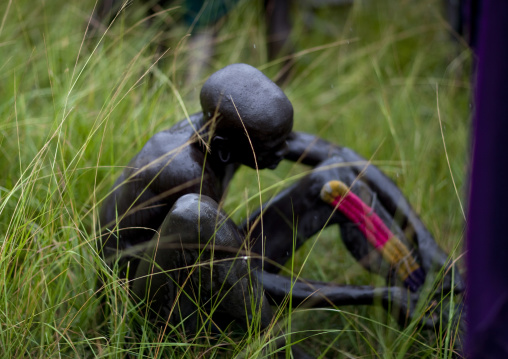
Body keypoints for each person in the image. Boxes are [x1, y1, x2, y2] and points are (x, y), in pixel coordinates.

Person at [99, 63, 464, 336]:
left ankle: (428, 289)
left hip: (209, 256)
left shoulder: (224, 126)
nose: (284, 154)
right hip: (150, 302)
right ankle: (261, 344)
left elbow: (342, 158)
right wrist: (371, 295)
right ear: (228, 149)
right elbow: (247, 277)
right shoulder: (186, 173)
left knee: (334, 180)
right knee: (200, 215)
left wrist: (427, 242)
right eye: (272, 150)